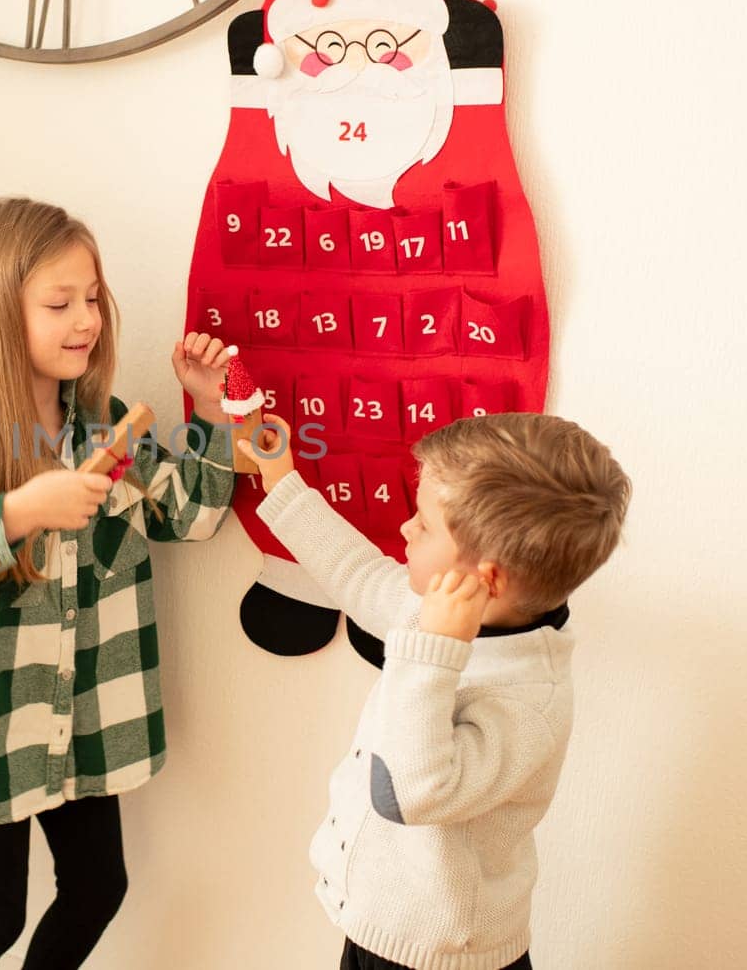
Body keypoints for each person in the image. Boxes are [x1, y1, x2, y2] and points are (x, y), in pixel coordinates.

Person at [0, 197, 237, 968]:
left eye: (93, 297)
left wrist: (209, 409)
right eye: (59, 302)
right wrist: (18, 512)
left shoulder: (108, 435)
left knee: (98, 887)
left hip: (88, 728)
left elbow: (192, 516)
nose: (86, 318)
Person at [240, 410, 631, 969]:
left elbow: (406, 792)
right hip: (380, 930)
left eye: (423, 525)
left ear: (486, 578)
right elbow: (358, 575)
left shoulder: (525, 698)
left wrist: (434, 650)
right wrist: (281, 478)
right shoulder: (448, 607)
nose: (405, 529)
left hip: (439, 957)